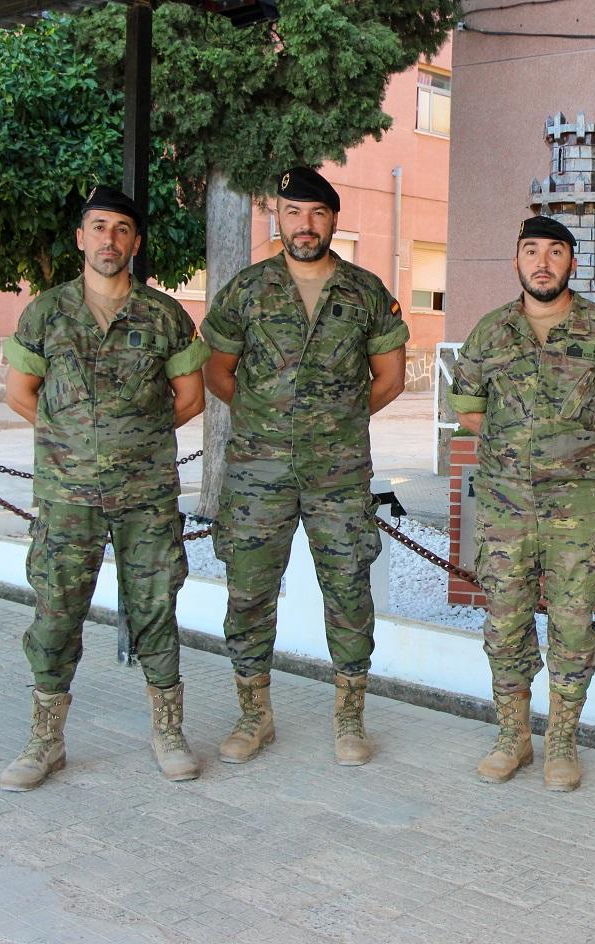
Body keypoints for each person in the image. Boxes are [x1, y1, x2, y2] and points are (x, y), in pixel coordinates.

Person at [0, 186, 210, 790]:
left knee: (155, 610)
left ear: (136, 242)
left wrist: (131, 441)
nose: (109, 239)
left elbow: (190, 397)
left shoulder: (165, 315)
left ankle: (168, 731)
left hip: (145, 496)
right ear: (80, 238)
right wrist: (77, 441)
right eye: (98, 227)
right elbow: (20, 393)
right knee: (56, 612)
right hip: (67, 498)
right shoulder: (44, 313)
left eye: (121, 229)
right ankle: (45, 741)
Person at [202, 166, 408, 767]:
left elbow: (390, 378)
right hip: (256, 473)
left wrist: (335, 420)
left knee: (348, 590)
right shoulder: (247, 288)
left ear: (333, 220)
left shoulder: (366, 291)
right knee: (248, 591)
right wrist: (266, 416)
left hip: (339, 475)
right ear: (279, 218)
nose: (305, 224)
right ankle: (253, 716)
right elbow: (218, 371)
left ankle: (349, 720)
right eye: (294, 212)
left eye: (317, 213)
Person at [450, 216, 595, 791]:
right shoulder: (490, 333)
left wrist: (581, 452)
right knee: (506, 620)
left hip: (578, 510)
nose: (543, 261)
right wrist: (521, 453)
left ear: (572, 261)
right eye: (531, 251)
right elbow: (470, 410)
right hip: (506, 508)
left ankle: (563, 739)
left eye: (556, 251)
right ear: (516, 261)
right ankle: (512, 736)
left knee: (573, 622)